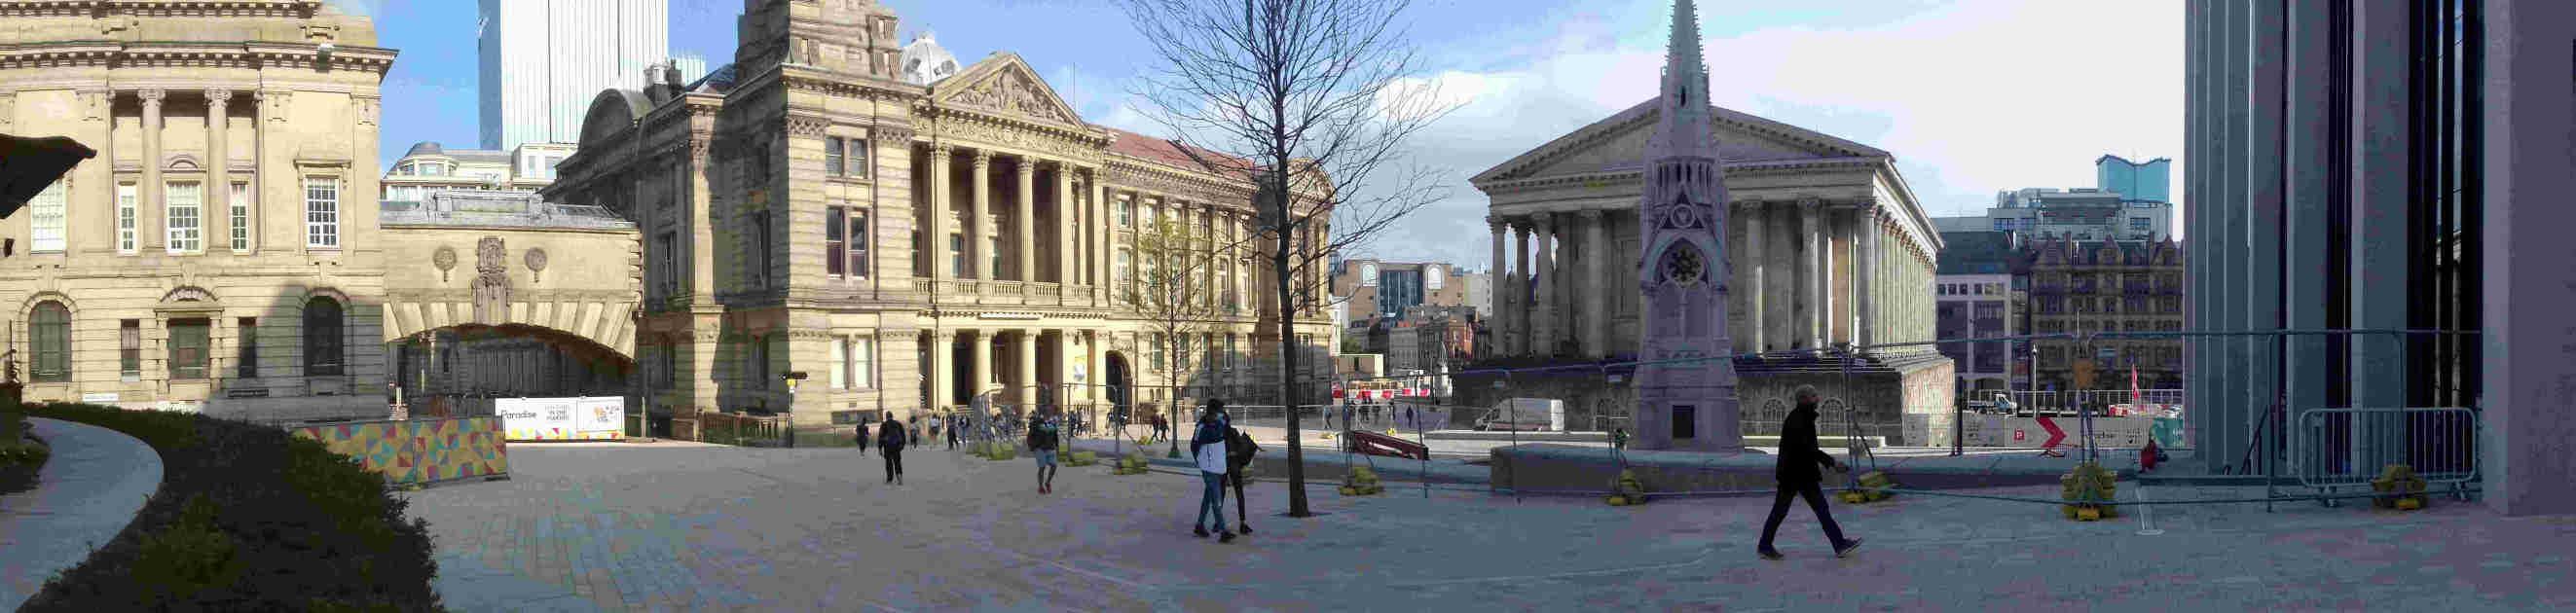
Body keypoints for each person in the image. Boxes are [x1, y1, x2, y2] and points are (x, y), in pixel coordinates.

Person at [1758, 385, 1860, 560]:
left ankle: (1839, 543)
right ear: (1804, 400)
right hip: (1795, 474)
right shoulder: (1798, 420)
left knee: (1818, 509)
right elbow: (1809, 450)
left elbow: (1808, 449)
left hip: (1799, 473)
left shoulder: (1803, 418)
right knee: (1784, 510)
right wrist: (1833, 463)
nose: (1817, 399)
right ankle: (1765, 545)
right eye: (1814, 396)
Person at [1190, 400, 1235, 542]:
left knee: (1208, 497)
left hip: (1217, 466)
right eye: (1220, 411)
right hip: (1208, 468)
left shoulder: (1219, 422)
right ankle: (1223, 531)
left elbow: (1226, 422)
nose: (1222, 414)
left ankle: (1199, 525)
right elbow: (1194, 446)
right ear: (1213, 412)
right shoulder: (1202, 427)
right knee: (1216, 500)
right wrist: (1201, 462)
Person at [1225, 421, 1263, 534]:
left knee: (1219, 495)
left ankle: (1218, 522)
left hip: (1224, 464)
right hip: (1235, 463)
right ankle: (1243, 523)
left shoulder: (1218, 433)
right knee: (1239, 494)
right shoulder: (1233, 431)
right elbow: (1241, 445)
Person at [1029, 412, 1062, 494]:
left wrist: (1057, 447)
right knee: (1042, 467)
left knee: (1054, 466)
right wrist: (1032, 447)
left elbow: (1055, 436)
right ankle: (1040, 486)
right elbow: (1030, 435)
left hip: (1050, 448)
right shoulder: (1036, 423)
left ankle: (1047, 482)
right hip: (1040, 449)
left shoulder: (1052, 423)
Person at [878, 416, 908, 485]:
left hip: (887, 447)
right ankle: (899, 478)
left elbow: (880, 437)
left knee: (888, 463)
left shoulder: (884, 425)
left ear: (886, 417)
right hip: (896, 446)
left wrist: (880, 448)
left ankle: (889, 479)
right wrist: (902, 445)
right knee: (897, 462)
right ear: (892, 416)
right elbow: (903, 435)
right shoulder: (898, 424)